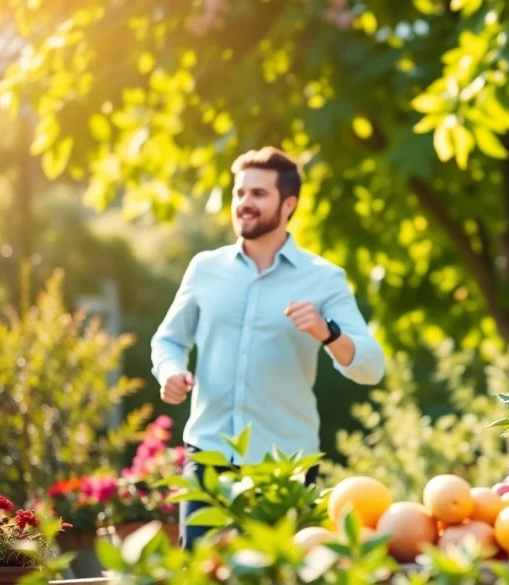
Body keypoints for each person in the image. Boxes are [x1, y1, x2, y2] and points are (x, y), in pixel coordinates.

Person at [151, 146, 386, 549]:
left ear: (288, 203)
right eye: (239, 193)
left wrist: (328, 333)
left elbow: (372, 367)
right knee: (200, 574)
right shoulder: (205, 268)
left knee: (282, 575)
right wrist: (170, 371)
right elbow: (169, 340)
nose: (244, 203)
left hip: (284, 466)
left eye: (258, 194)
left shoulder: (324, 278)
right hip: (209, 456)